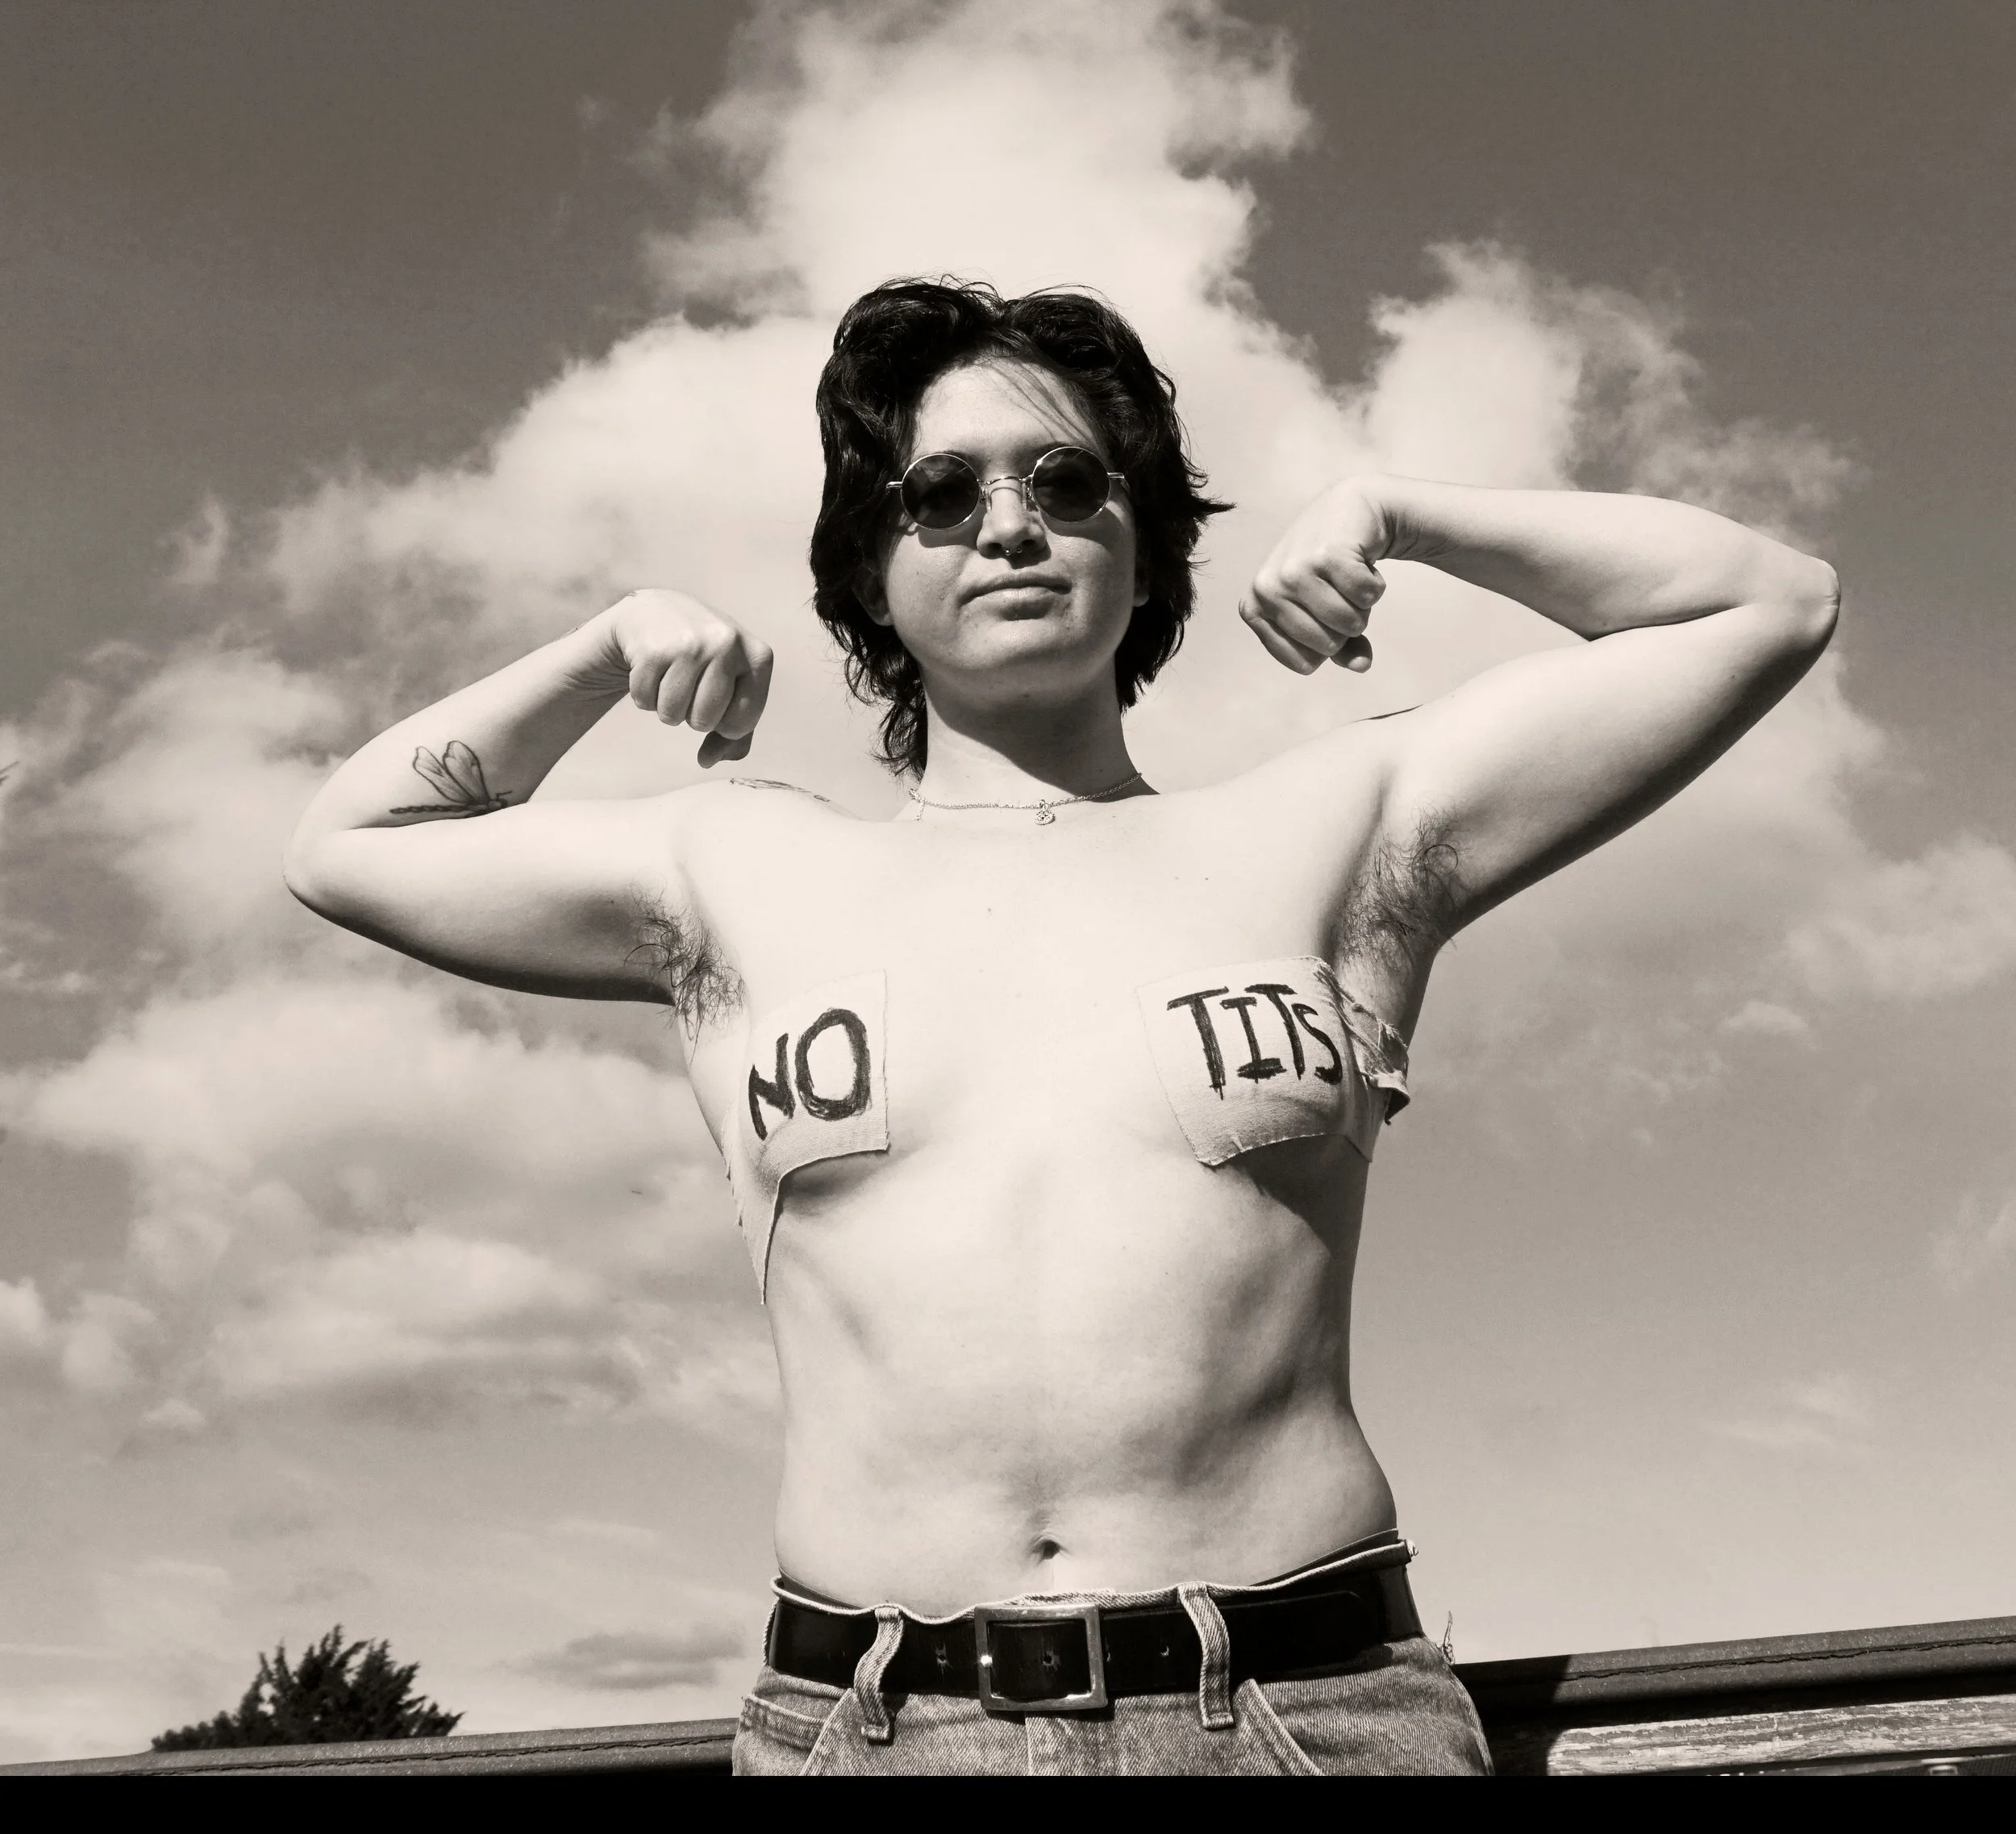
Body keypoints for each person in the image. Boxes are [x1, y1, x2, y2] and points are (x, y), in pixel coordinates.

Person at [285, 279, 1839, 1775]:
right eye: (940, 492)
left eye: (1068, 479)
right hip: (873, 1727)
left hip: (1304, 1711)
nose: (1011, 521)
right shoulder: (735, 870)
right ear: (869, 569)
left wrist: (1404, 511)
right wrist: (599, 652)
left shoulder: (1335, 828)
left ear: (1144, 542)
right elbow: (347, 845)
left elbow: (1766, 600)